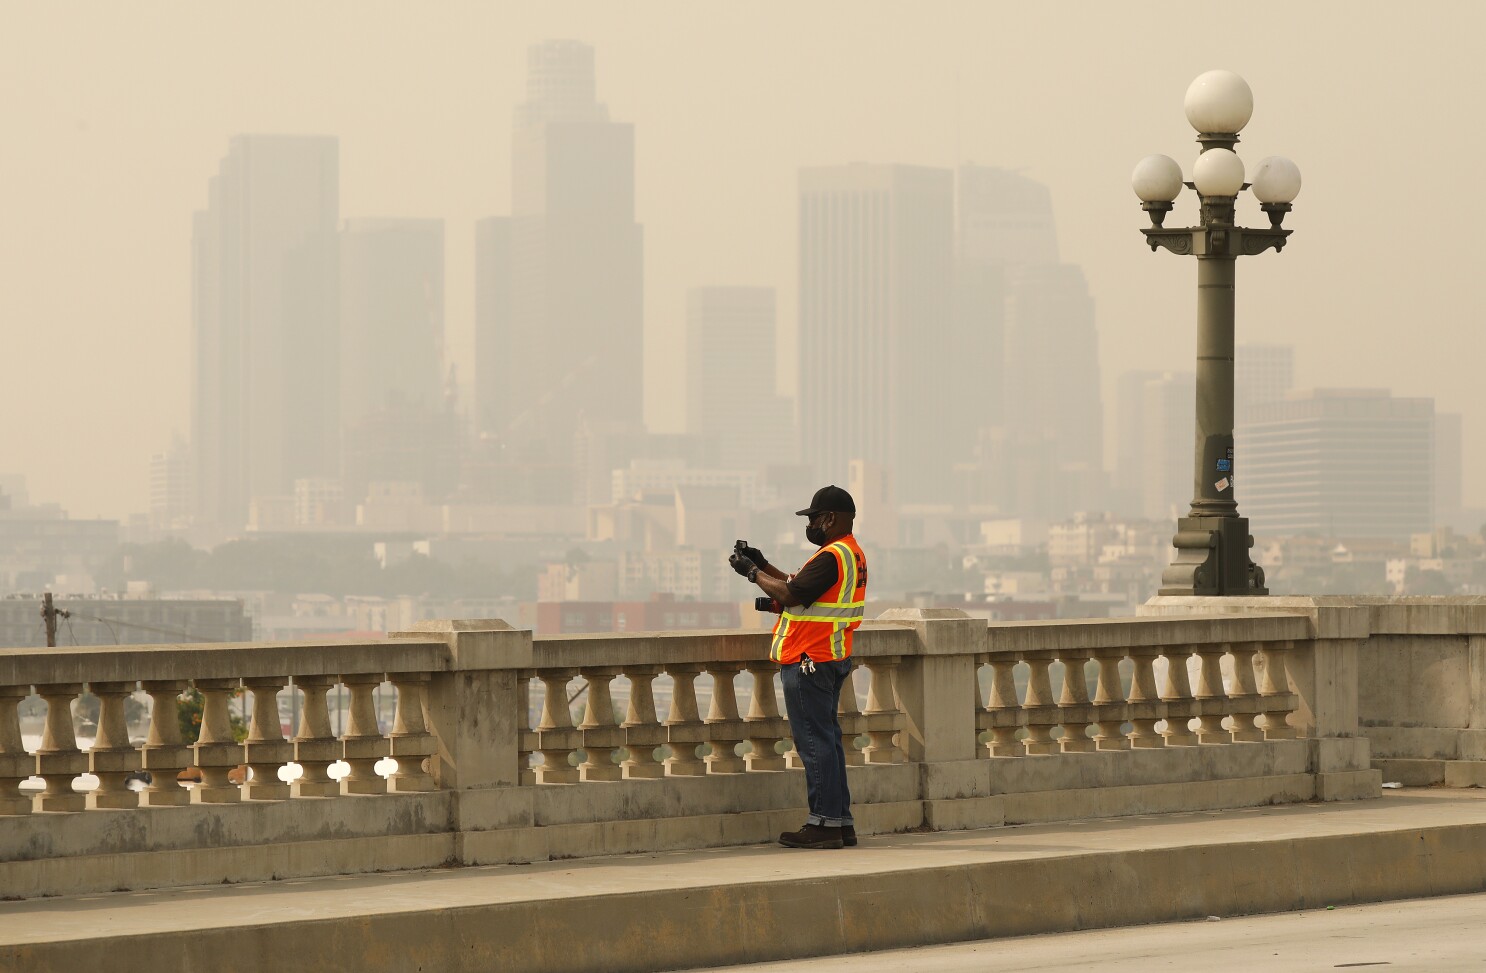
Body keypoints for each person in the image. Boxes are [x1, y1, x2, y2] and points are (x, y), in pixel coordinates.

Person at [729, 485, 867, 850]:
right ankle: (841, 823)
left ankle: (822, 824)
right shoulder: (848, 554)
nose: (811, 524)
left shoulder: (831, 555)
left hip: (809, 660)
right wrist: (763, 564)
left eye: (813, 518)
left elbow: (790, 595)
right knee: (829, 742)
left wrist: (751, 572)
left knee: (814, 743)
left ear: (830, 518)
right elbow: (798, 587)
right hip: (828, 658)